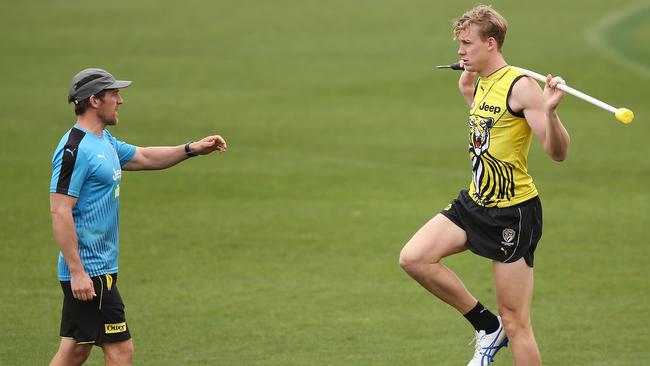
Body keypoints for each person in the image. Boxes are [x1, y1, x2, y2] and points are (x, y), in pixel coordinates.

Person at [399, 5, 570, 366]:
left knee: (517, 322)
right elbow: (490, 129)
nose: (460, 52)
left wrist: (551, 112)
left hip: (512, 213)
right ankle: (485, 326)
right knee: (414, 258)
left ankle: (500, 328)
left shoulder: (522, 87)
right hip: (475, 202)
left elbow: (557, 152)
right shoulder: (481, 81)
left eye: (466, 44)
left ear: (490, 43)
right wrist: (468, 93)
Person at [49, 67, 228, 366]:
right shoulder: (74, 149)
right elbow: (60, 209)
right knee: (121, 351)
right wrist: (78, 271)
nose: (120, 100)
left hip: (99, 266)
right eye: (114, 94)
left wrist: (192, 149)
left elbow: (144, 157)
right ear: (94, 100)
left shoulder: (103, 140)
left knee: (76, 349)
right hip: (90, 271)